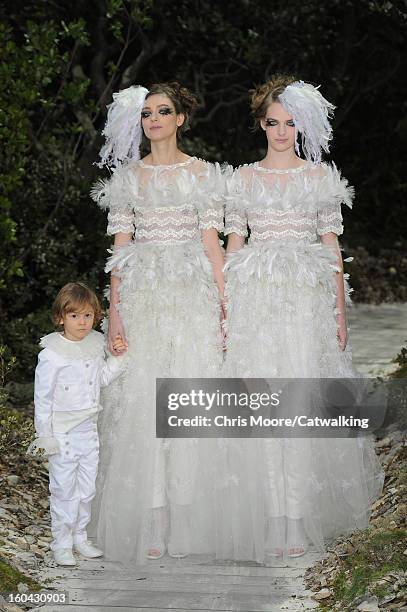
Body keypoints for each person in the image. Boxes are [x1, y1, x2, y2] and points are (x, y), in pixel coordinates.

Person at [223, 76, 384, 561]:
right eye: (273, 122)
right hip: (257, 302)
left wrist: (340, 312)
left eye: (291, 123)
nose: (281, 132)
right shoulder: (242, 180)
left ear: (303, 126)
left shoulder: (320, 179)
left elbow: (331, 248)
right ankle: (272, 514)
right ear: (260, 125)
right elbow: (234, 247)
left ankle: (297, 515)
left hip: (305, 304)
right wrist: (227, 312)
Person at [90, 82, 226, 563]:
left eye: (163, 111)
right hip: (145, 298)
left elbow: (213, 246)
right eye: (147, 113)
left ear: (180, 119)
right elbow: (120, 250)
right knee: (144, 405)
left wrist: (226, 307)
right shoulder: (128, 178)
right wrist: (117, 316)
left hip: (191, 299)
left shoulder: (204, 174)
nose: (154, 119)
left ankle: (187, 522)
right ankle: (153, 519)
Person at [28, 282, 127, 566]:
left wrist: (120, 358)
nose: (82, 322)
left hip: (88, 431)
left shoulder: (95, 346)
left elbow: (102, 380)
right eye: (74, 316)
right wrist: (45, 436)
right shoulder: (52, 354)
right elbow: (43, 398)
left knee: (87, 487)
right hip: (63, 434)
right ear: (61, 317)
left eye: (87, 316)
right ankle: (61, 541)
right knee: (63, 488)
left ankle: (80, 537)